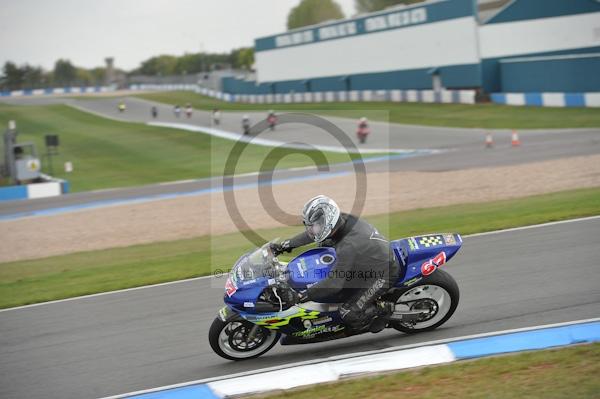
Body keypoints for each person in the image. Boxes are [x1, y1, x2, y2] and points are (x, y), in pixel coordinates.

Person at [270, 195, 398, 333]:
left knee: (348, 313)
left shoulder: (348, 246)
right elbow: (313, 234)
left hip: (384, 273)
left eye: (315, 225)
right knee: (323, 245)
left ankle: (384, 309)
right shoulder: (340, 221)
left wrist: (301, 296)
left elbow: (334, 283)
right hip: (366, 259)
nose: (312, 229)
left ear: (328, 222)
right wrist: (285, 245)